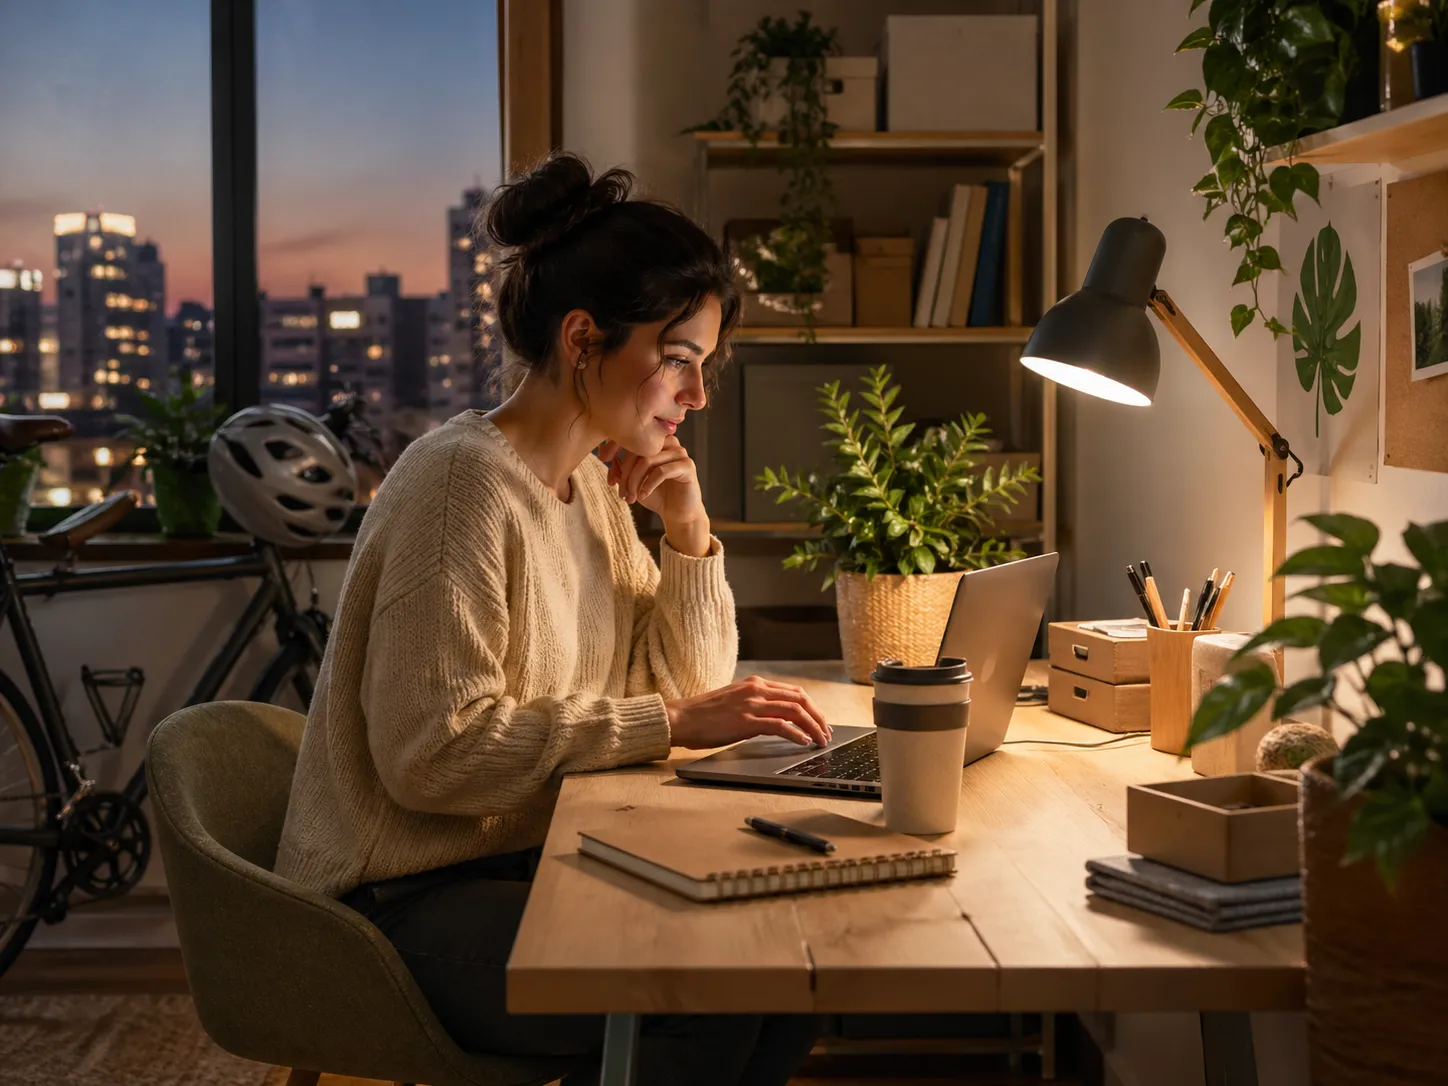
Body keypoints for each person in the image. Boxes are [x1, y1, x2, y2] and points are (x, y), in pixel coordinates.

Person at [273, 151, 828, 1086]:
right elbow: (431, 754)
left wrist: (689, 530)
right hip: (394, 904)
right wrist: (668, 723)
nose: (695, 396)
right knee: (707, 994)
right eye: (679, 360)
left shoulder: (591, 491)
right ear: (583, 340)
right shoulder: (462, 486)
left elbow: (689, 685)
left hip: (516, 859)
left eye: (703, 367)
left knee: (788, 965)